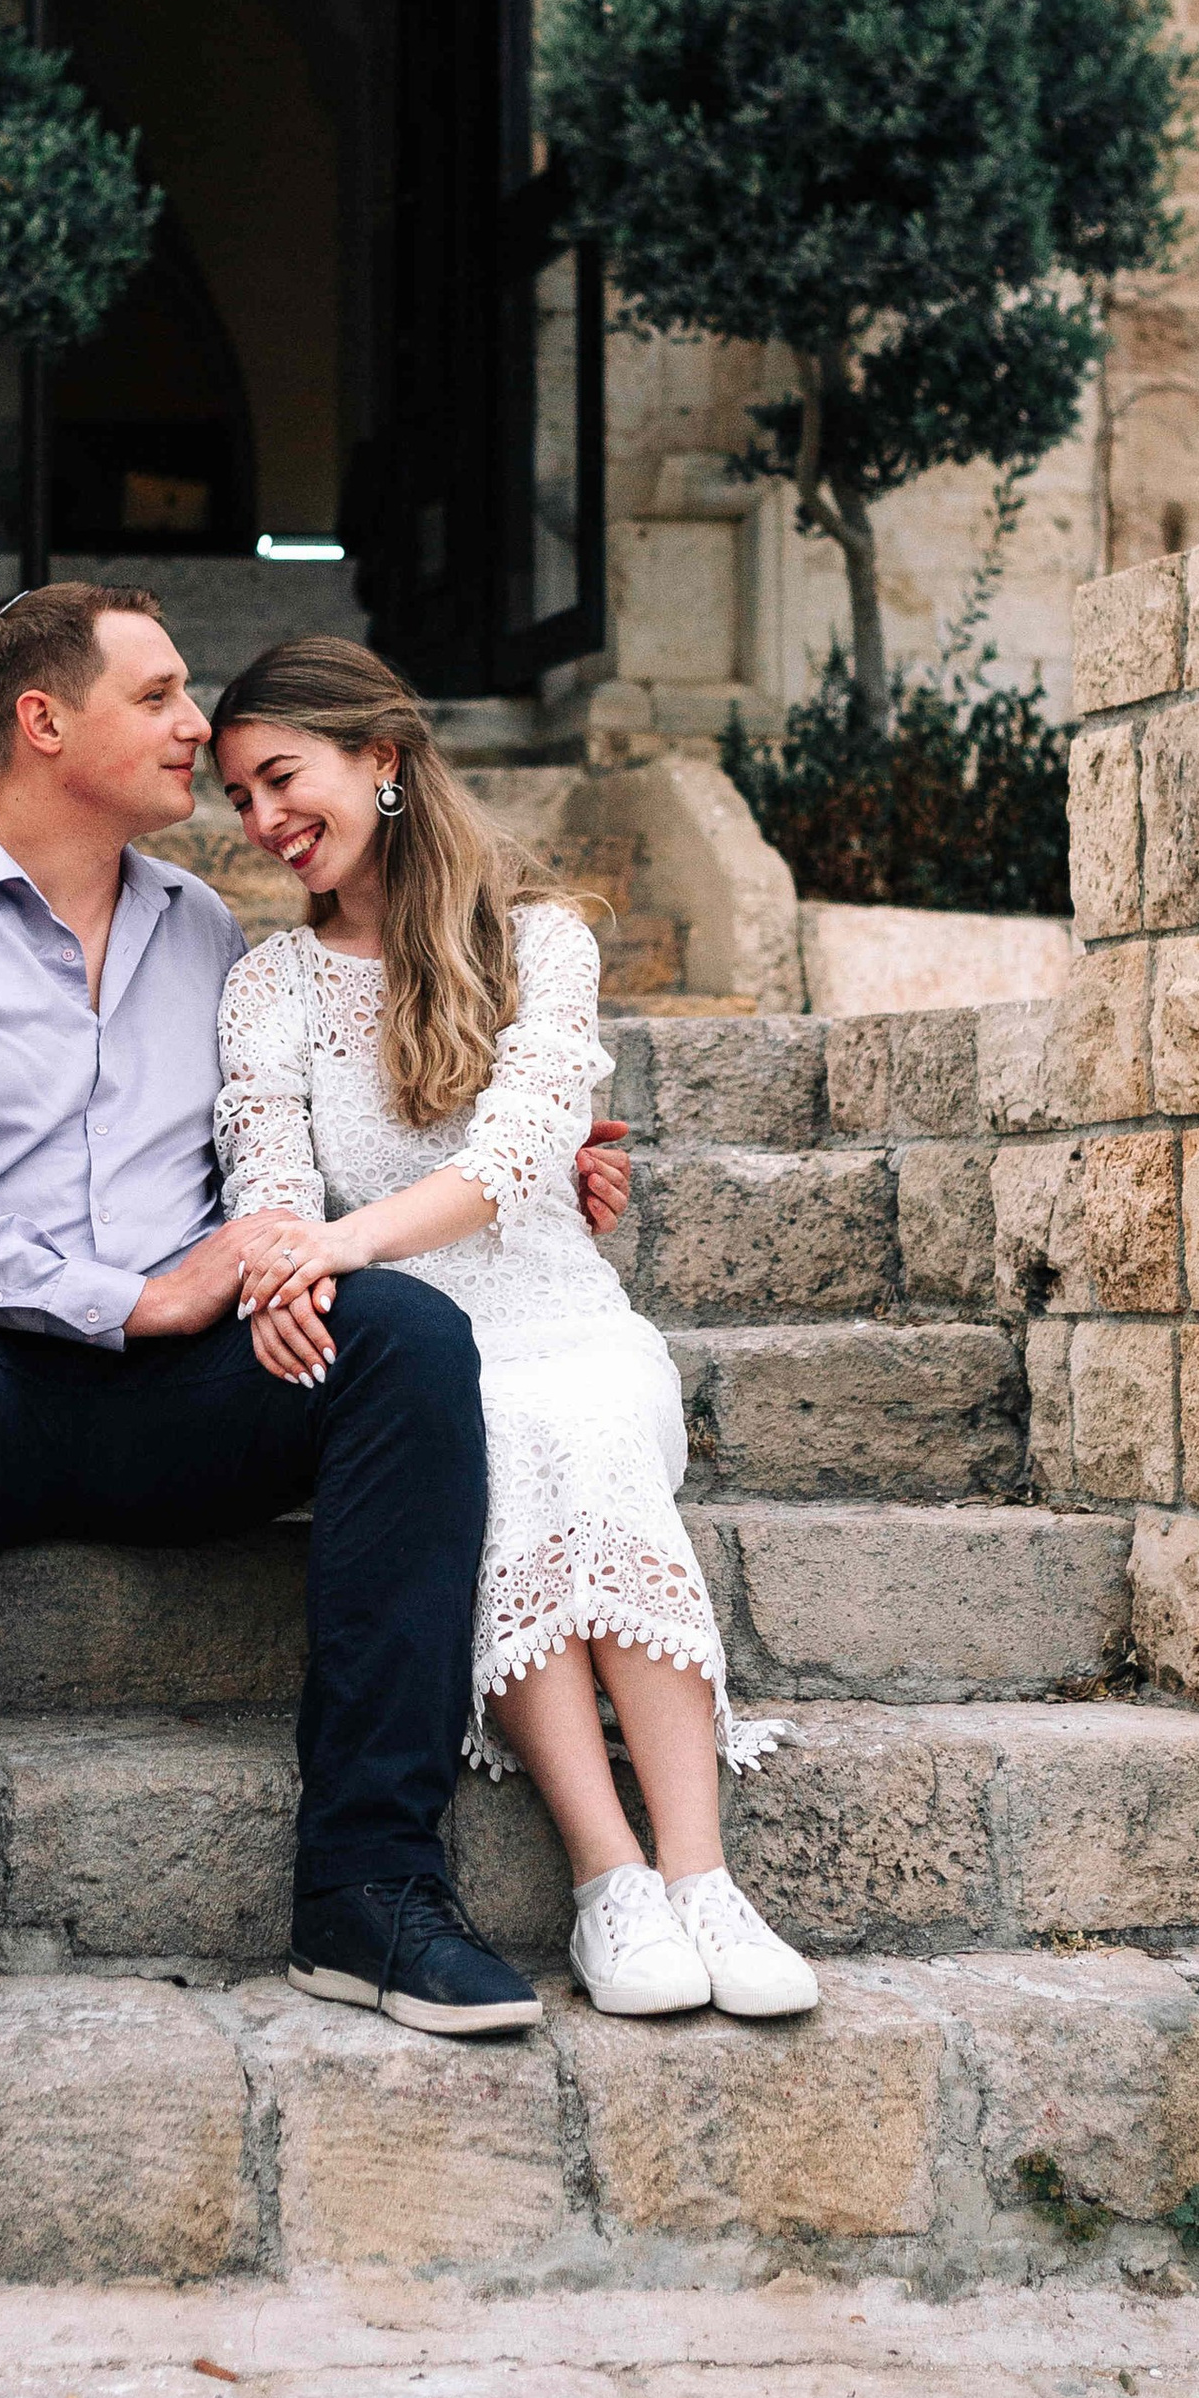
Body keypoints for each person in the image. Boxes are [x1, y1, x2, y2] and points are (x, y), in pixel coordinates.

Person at [0, 578, 634, 2058]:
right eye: (163, 696)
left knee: (410, 1339)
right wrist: (128, 1294)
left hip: (186, 1408)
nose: (197, 726)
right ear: (45, 724)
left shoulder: (202, 936)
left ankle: (370, 1885)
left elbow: (318, 1128)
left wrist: (550, 1160)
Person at [209, 634, 817, 2025]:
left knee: (587, 1414)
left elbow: (531, 1146)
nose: (261, 823)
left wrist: (336, 1245)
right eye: (239, 797)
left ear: (384, 761)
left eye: (282, 778)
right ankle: (611, 1881)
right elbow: (271, 1178)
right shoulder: (268, 987)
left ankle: (702, 1878)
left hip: (560, 1305)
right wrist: (302, 1271)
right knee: (494, 1425)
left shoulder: (541, 940)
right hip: (415, 1340)